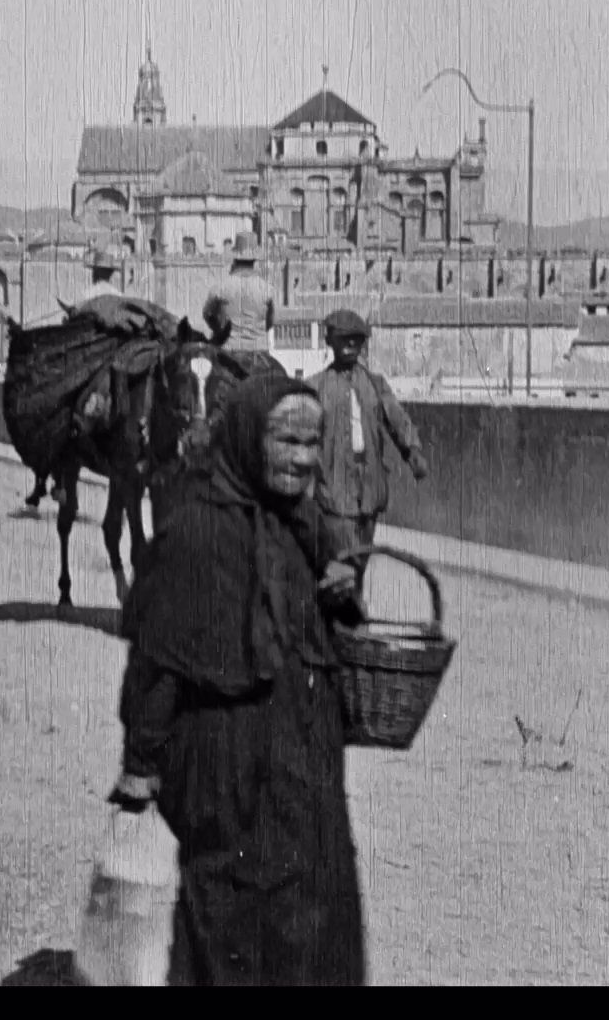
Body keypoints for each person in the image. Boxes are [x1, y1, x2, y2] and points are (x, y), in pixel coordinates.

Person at [111, 375, 367, 985]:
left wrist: (342, 595)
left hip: (304, 759)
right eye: (286, 441)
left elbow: (317, 634)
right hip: (225, 760)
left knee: (308, 907)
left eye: (312, 444)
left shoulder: (308, 526)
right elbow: (157, 661)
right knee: (230, 911)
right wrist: (142, 765)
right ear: (250, 439)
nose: (302, 458)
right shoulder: (196, 528)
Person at [306, 309, 429, 588]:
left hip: (370, 489)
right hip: (335, 488)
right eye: (344, 339)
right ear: (330, 342)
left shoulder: (376, 384)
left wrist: (412, 452)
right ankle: (348, 616)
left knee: (360, 561)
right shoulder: (315, 388)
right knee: (342, 560)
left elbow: (397, 419)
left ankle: (353, 612)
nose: (351, 345)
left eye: (357, 340)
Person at [201, 232, 287, 380]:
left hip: (228, 352)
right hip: (259, 353)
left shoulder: (220, 288)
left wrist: (218, 330)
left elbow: (207, 315)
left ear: (235, 258)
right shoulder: (267, 290)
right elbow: (271, 322)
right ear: (254, 259)